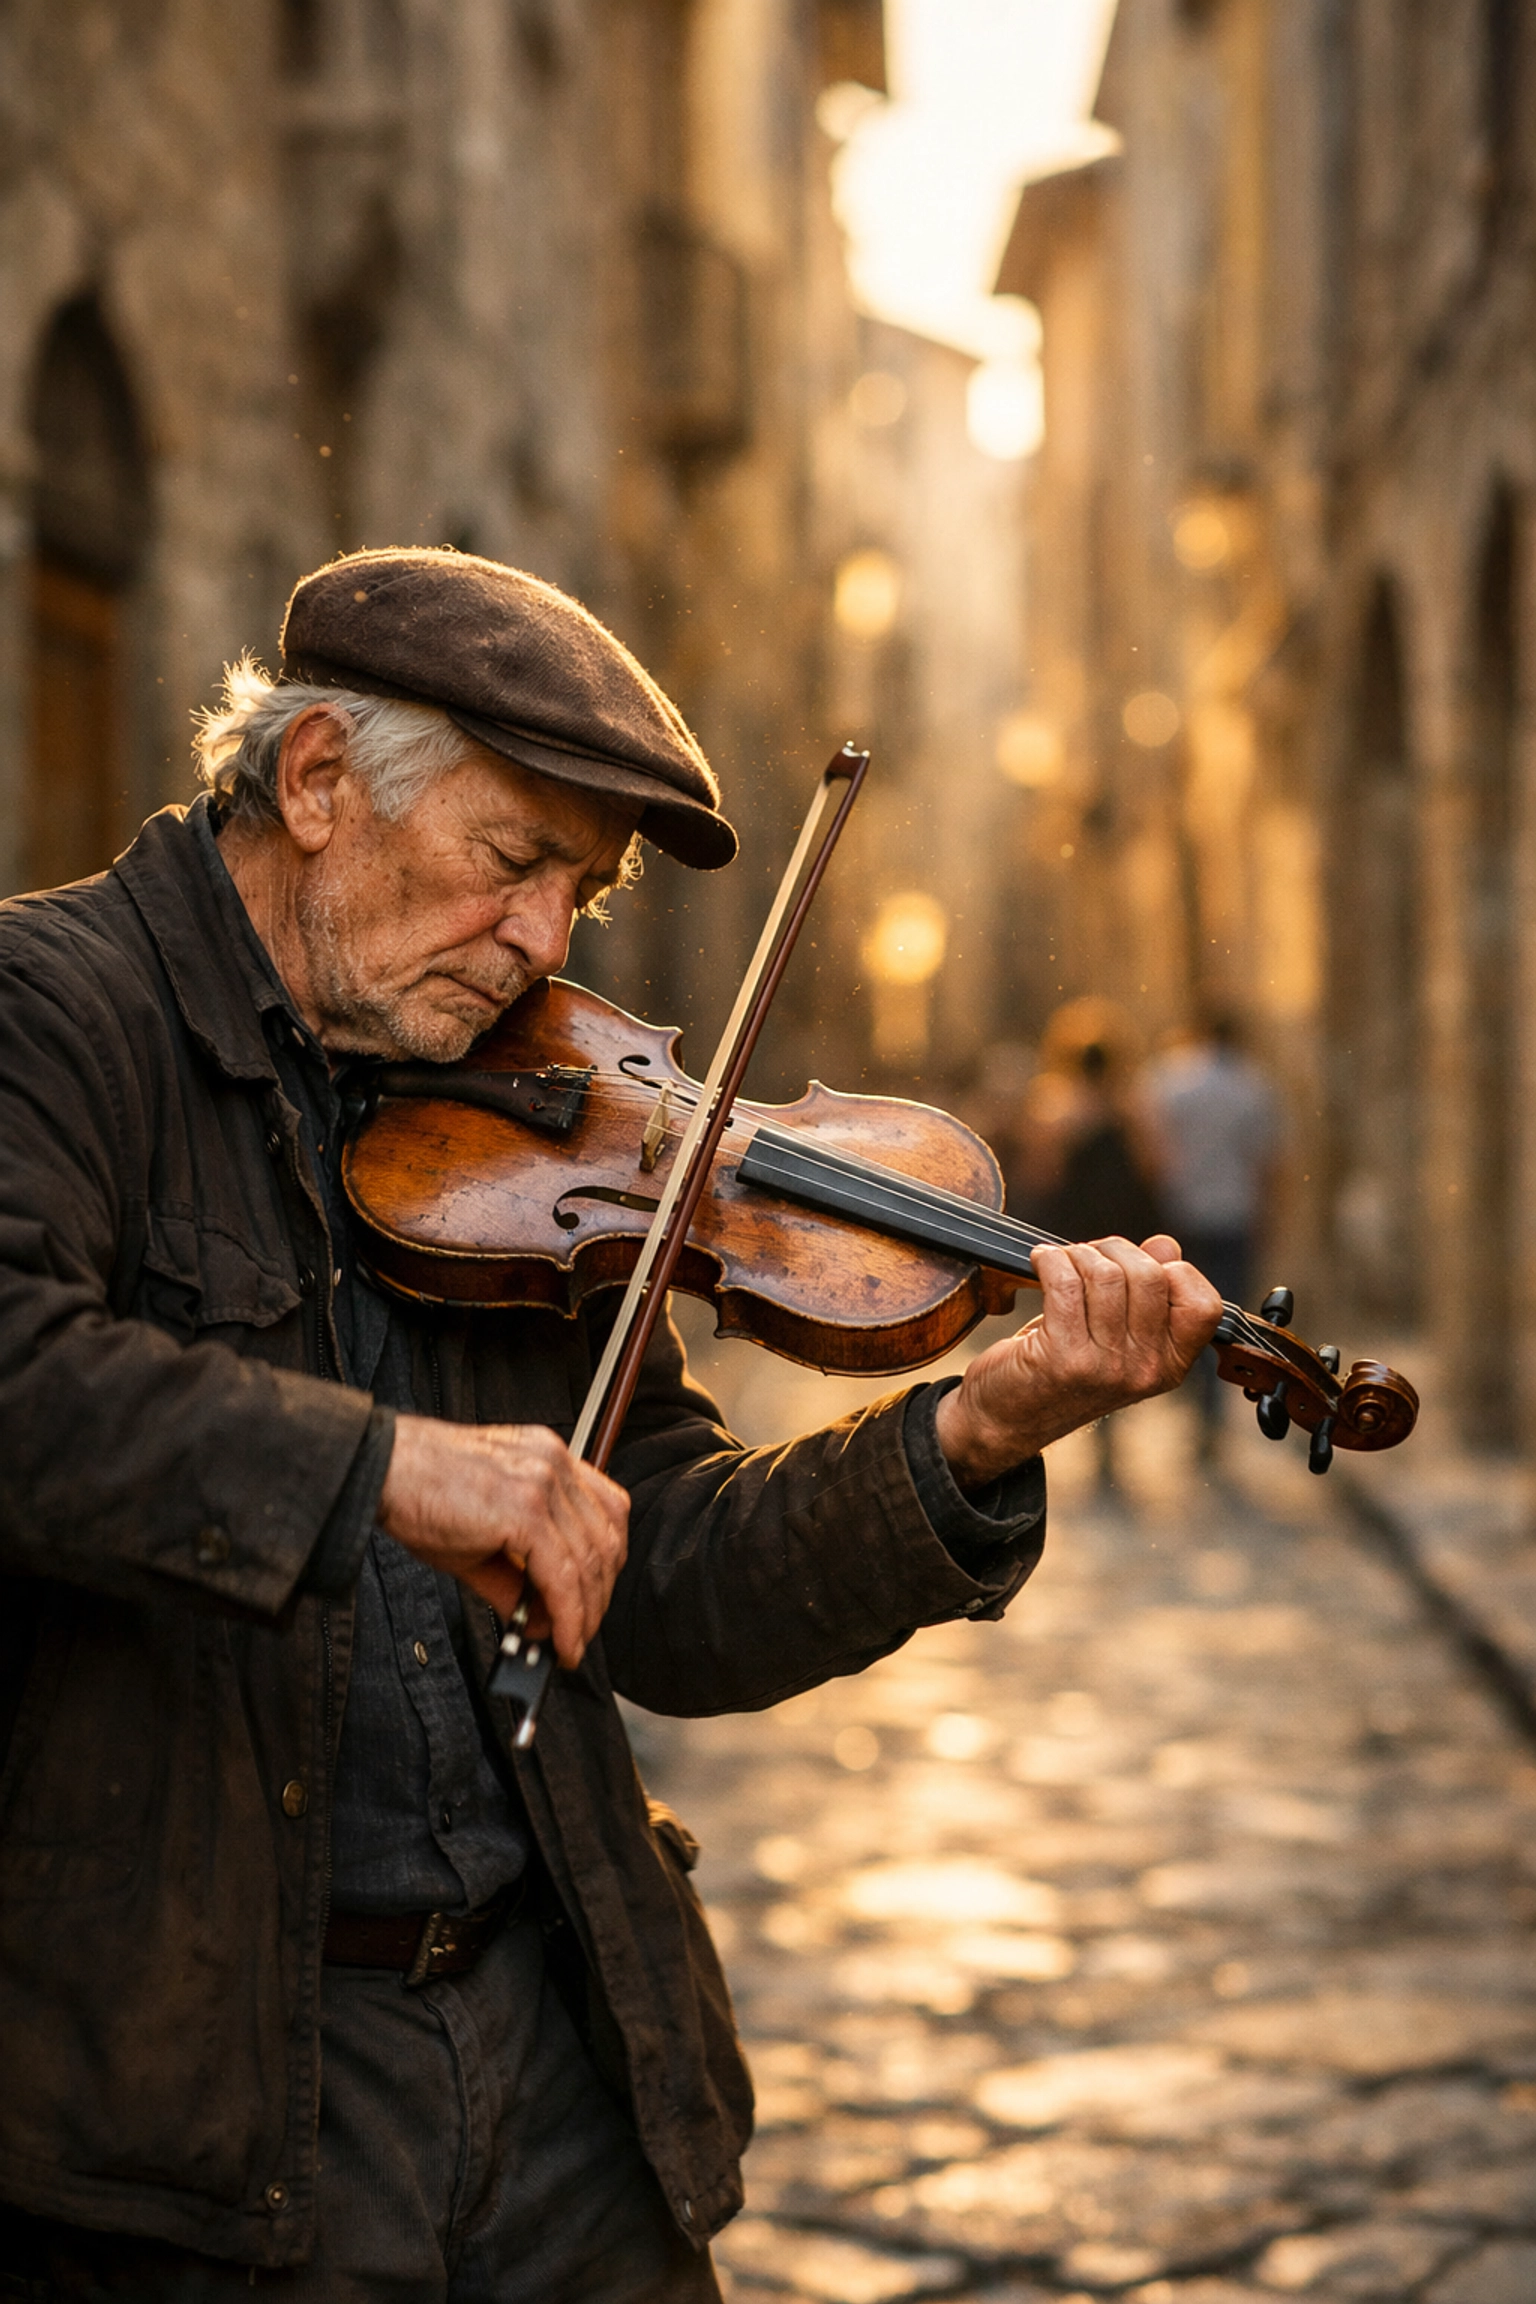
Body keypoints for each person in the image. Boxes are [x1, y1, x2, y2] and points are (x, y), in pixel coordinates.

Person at [0, 549, 1220, 2301]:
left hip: (559, 2057)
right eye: (511, 862)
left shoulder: (527, 1109)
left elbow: (674, 1580)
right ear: (320, 782)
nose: (540, 942)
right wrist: (388, 1468)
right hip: (196, 2115)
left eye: (579, 888)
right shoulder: (54, 1013)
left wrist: (980, 1423)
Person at [1011, 997, 1166, 1486]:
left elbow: (1041, 1177)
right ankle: (1109, 1441)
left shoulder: (1055, 1107)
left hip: (1080, 1240)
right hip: (1125, 1235)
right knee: (1122, 1331)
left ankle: (1102, 1445)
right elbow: (1153, 1169)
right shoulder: (1131, 1106)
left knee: (1090, 1336)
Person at [1147, 1009, 1282, 1461]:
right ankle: (1212, 1412)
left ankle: (1197, 1399)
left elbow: (1153, 1151)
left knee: (1183, 1312)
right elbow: (1267, 1162)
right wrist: (1269, 1217)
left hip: (1181, 1215)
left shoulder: (1170, 1079)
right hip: (1233, 1213)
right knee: (1226, 1316)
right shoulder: (1253, 1086)